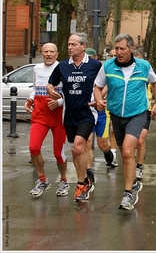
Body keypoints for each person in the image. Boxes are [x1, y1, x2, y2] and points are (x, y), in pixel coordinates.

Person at [93, 33, 156, 210]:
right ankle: (132, 185)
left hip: (137, 114)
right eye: (116, 48)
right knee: (125, 155)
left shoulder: (144, 66)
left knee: (127, 151)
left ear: (131, 49)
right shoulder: (107, 66)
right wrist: (99, 99)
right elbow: (98, 86)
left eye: (122, 48)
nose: (118, 52)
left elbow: (155, 83)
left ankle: (127, 193)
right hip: (116, 115)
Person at [47, 32, 102, 202]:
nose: (70, 47)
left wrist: (99, 99)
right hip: (69, 114)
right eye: (69, 44)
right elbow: (51, 83)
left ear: (83, 46)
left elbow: (105, 84)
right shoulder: (63, 66)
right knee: (76, 150)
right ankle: (85, 177)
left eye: (74, 44)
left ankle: (81, 184)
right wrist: (51, 91)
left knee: (79, 147)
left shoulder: (95, 65)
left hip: (87, 113)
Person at [26, 42, 69, 197]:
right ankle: (42, 180)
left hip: (58, 116)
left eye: (52, 51)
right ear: (41, 53)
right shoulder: (37, 69)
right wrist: (30, 99)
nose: (49, 54)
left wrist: (58, 102)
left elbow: (70, 93)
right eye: (46, 51)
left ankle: (64, 180)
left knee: (58, 153)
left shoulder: (64, 68)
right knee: (33, 147)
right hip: (40, 114)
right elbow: (36, 88)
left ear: (57, 54)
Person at [84, 48, 117, 186]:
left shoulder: (104, 69)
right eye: (88, 57)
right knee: (87, 143)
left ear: (97, 57)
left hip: (101, 110)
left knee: (102, 144)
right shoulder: (82, 70)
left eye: (93, 57)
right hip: (87, 111)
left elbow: (107, 86)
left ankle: (108, 154)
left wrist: (99, 99)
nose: (91, 59)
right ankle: (89, 171)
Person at [133, 48, 152, 181]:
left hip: (145, 109)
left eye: (140, 59)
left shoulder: (147, 70)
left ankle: (139, 167)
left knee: (141, 140)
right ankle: (132, 161)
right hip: (130, 110)